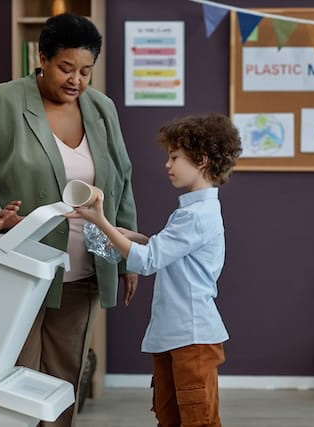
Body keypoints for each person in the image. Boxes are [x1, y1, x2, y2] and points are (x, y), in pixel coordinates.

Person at [0, 13, 137, 427]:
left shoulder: (101, 109)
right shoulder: (1, 102)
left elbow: (121, 181)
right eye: (66, 68)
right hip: (19, 270)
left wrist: (127, 257)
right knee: (15, 378)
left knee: (63, 382)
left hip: (84, 273)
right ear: (43, 57)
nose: (77, 80)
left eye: (86, 71)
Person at [70, 113, 242, 427]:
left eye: (174, 157)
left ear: (201, 159)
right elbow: (164, 252)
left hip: (192, 337)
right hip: (176, 334)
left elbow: (147, 261)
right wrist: (128, 235)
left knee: (197, 419)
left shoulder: (197, 215)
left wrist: (100, 221)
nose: (168, 164)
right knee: (169, 416)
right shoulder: (192, 212)